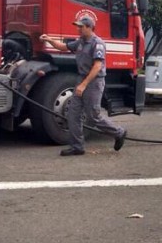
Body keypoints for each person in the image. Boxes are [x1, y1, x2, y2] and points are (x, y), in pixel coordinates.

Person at [40, 16, 127, 156]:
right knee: (73, 114)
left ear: (89, 27)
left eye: (81, 27)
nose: (78, 29)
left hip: (94, 82)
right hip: (82, 79)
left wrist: (83, 85)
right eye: (78, 26)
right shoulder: (80, 42)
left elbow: (97, 66)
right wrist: (49, 40)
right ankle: (77, 146)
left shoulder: (97, 43)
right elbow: (63, 47)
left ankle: (119, 132)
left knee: (93, 116)